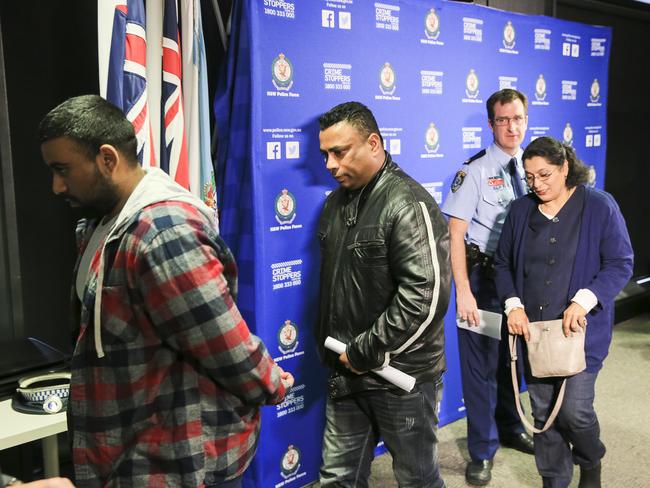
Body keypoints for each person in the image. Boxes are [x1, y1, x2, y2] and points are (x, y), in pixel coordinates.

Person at [37, 95, 293, 487]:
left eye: (63, 170)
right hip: (135, 457)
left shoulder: (162, 231)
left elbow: (222, 341)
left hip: (178, 463)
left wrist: (270, 383)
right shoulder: (106, 225)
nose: (56, 186)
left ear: (107, 159)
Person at [316, 101, 451, 488]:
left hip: (401, 377)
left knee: (416, 479)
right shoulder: (334, 204)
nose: (329, 164)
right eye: (325, 153)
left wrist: (365, 351)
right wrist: (347, 355)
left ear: (373, 144)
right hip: (347, 370)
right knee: (337, 478)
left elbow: (424, 297)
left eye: (339, 152)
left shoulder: (407, 202)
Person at [494, 136, 633, 488]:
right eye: (530, 177)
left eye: (545, 175)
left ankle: (590, 460)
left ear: (566, 168)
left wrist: (584, 299)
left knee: (574, 411)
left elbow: (620, 263)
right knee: (544, 414)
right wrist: (513, 304)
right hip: (535, 334)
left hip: (581, 336)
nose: (537, 185)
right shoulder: (521, 210)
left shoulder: (599, 205)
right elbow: (502, 264)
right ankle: (554, 479)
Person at [441, 88, 535, 485]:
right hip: (482, 280)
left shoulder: (535, 168)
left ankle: (512, 427)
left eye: (517, 118)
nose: (511, 127)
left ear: (526, 120)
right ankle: (482, 450)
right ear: (491, 123)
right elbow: (455, 234)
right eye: (502, 119)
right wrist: (463, 291)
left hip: (521, 280)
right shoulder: (474, 170)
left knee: (513, 363)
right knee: (480, 368)